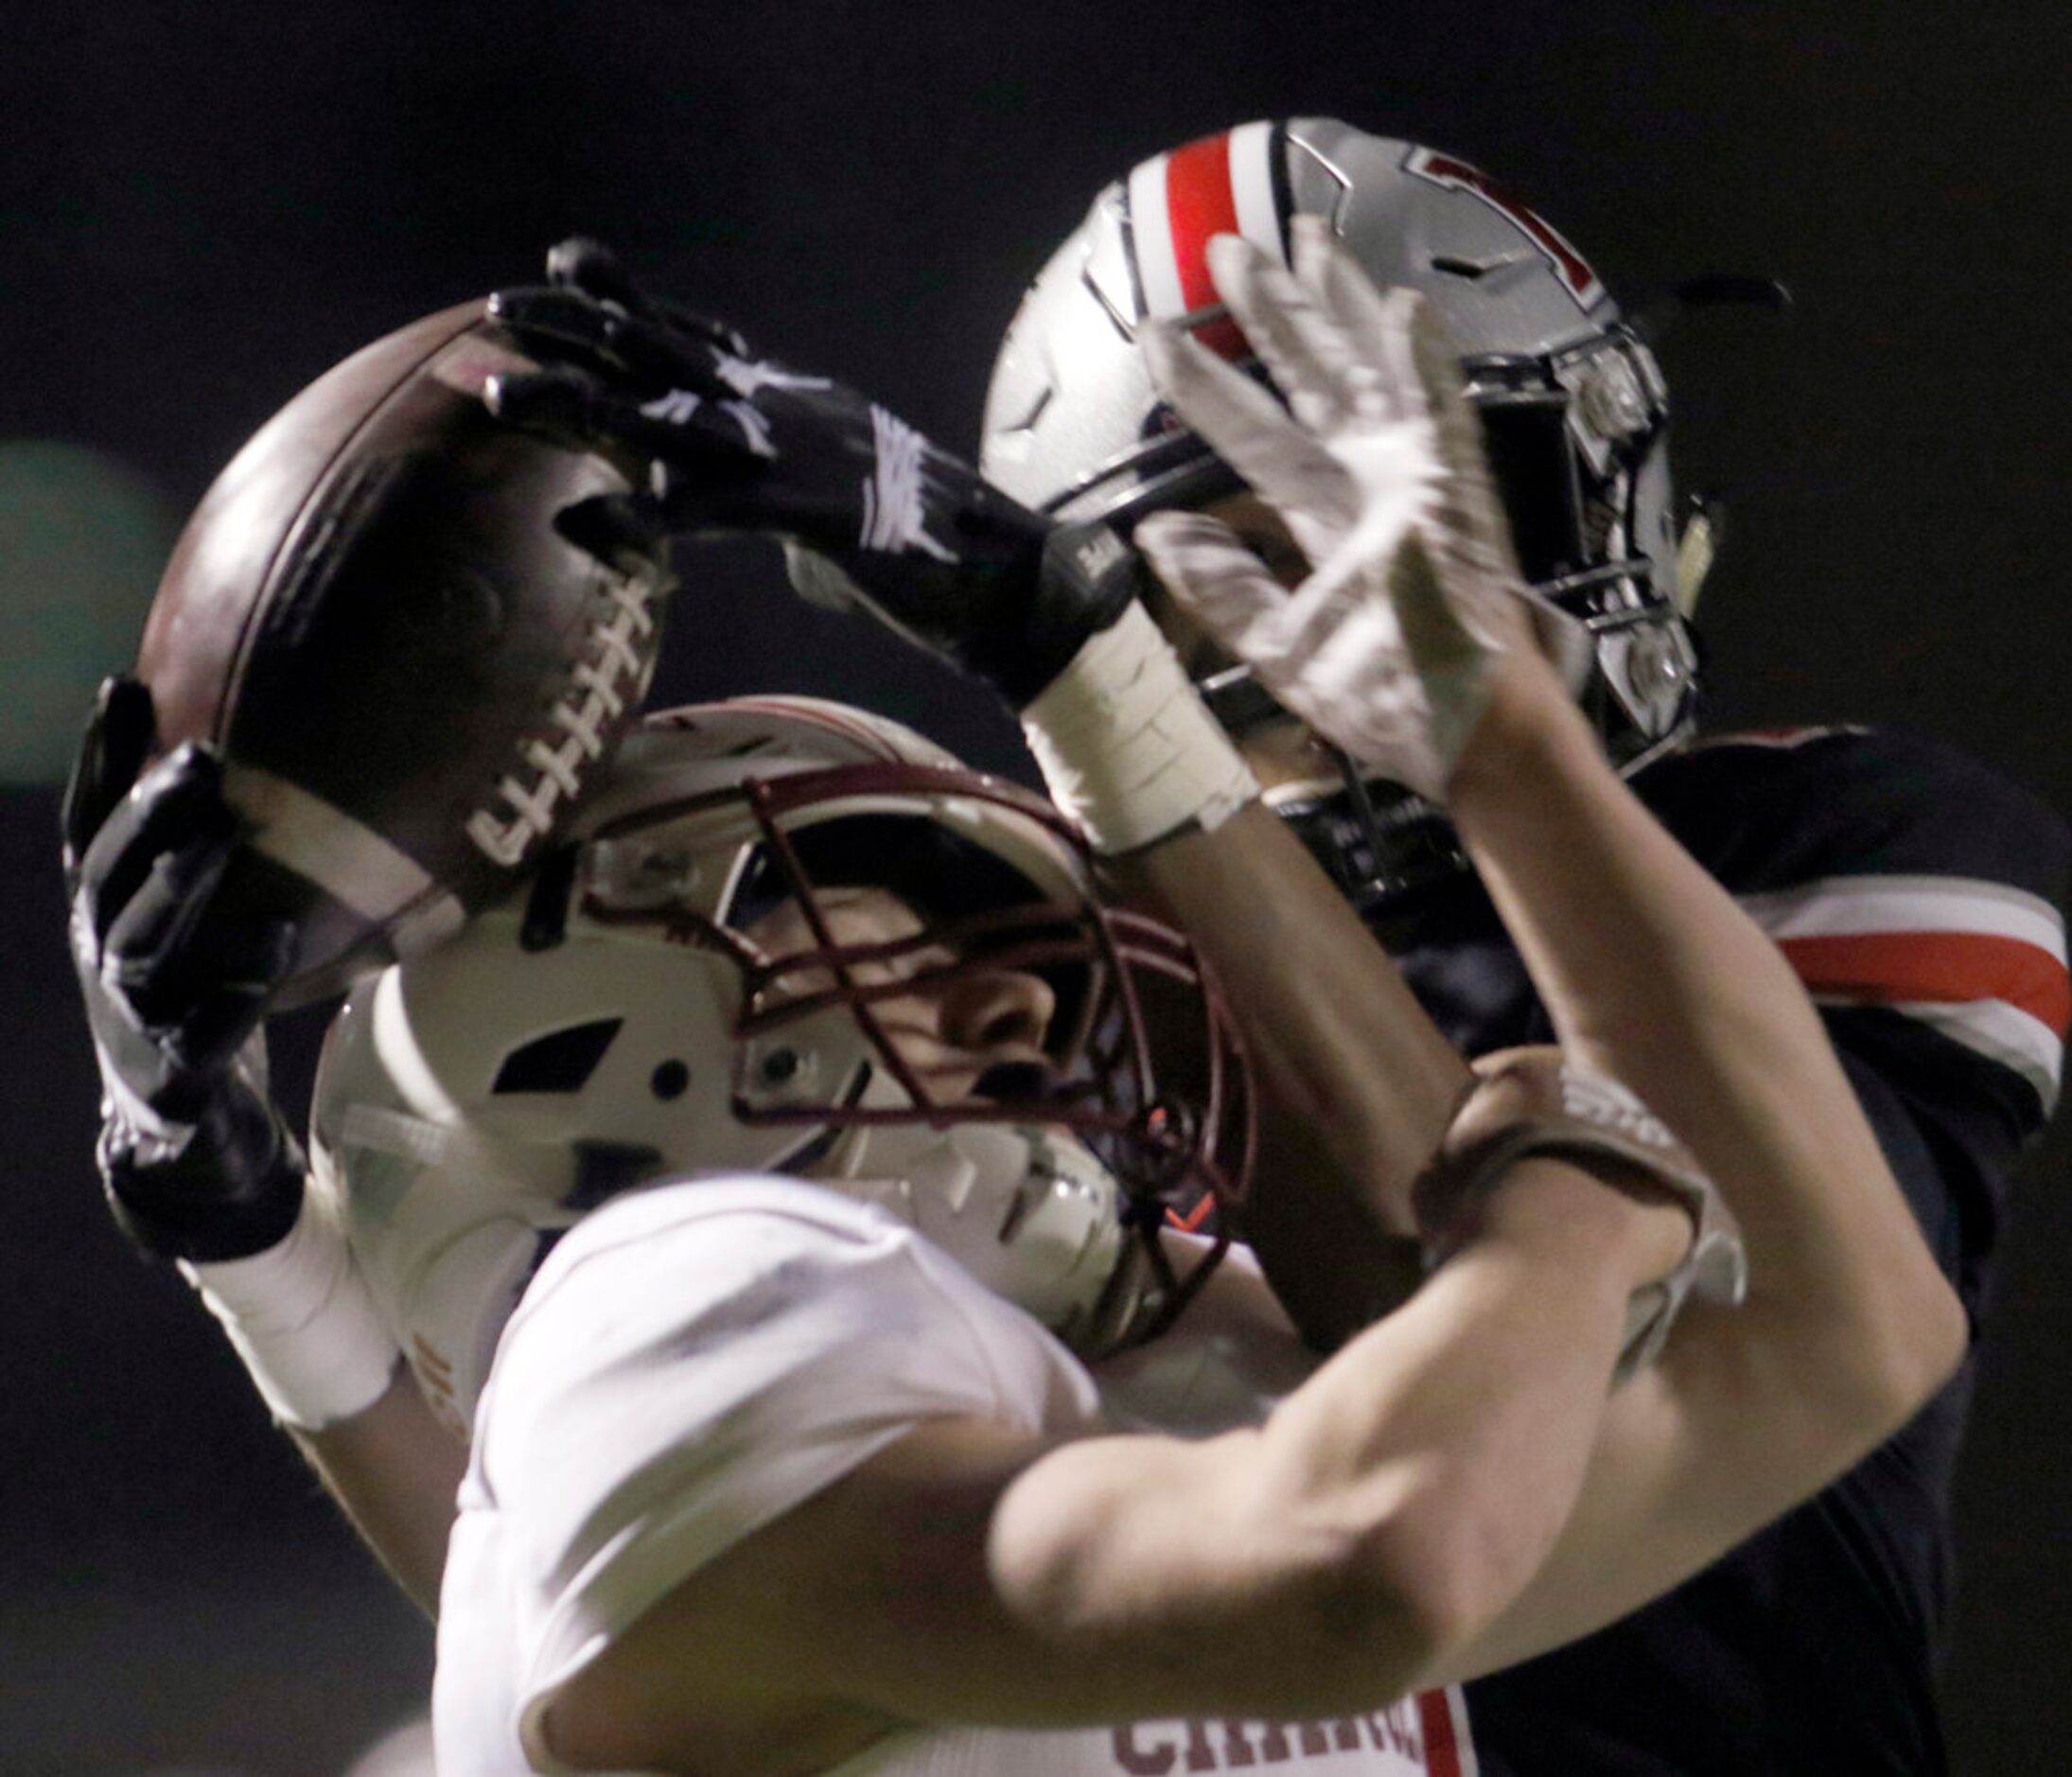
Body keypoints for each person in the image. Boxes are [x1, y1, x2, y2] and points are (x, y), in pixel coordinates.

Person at [70, 229, 1964, 1777]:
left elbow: (1842, 1332)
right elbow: (1364, 1556)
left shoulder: (1120, 1367)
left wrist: (1486, 735)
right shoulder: (678, 1298)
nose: (1036, 999)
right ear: (581, 1032)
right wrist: (1575, 1179)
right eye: (906, 919)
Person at [964, 118, 2072, 1773]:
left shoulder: (1815, 844)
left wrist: (1506, 754)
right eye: (1241, 570)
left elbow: (1713, 1319)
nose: (1351, 606)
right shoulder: (1027, 990)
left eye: (1430, 505)